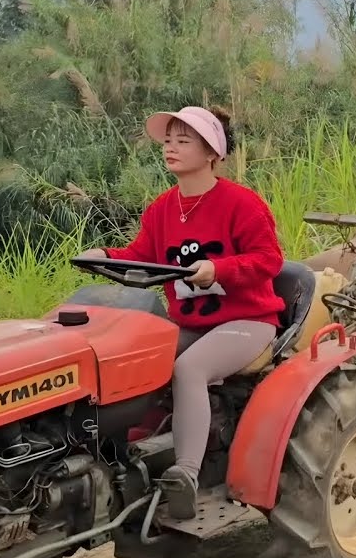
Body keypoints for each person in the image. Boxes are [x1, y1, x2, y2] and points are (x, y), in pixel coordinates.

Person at [79, 105, 285, 520]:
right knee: (129, 357)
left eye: (183, 141)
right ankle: (121, 456)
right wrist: (105, 255)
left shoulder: (241, 204)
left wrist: (220, 268)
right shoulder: (162, 208)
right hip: (191, 322)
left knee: (189, 368)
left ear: (212, 152)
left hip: (246, 322)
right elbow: (142, 257)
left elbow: (269, 260)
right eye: (168, 141)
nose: (170, 148)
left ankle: (186, 474)